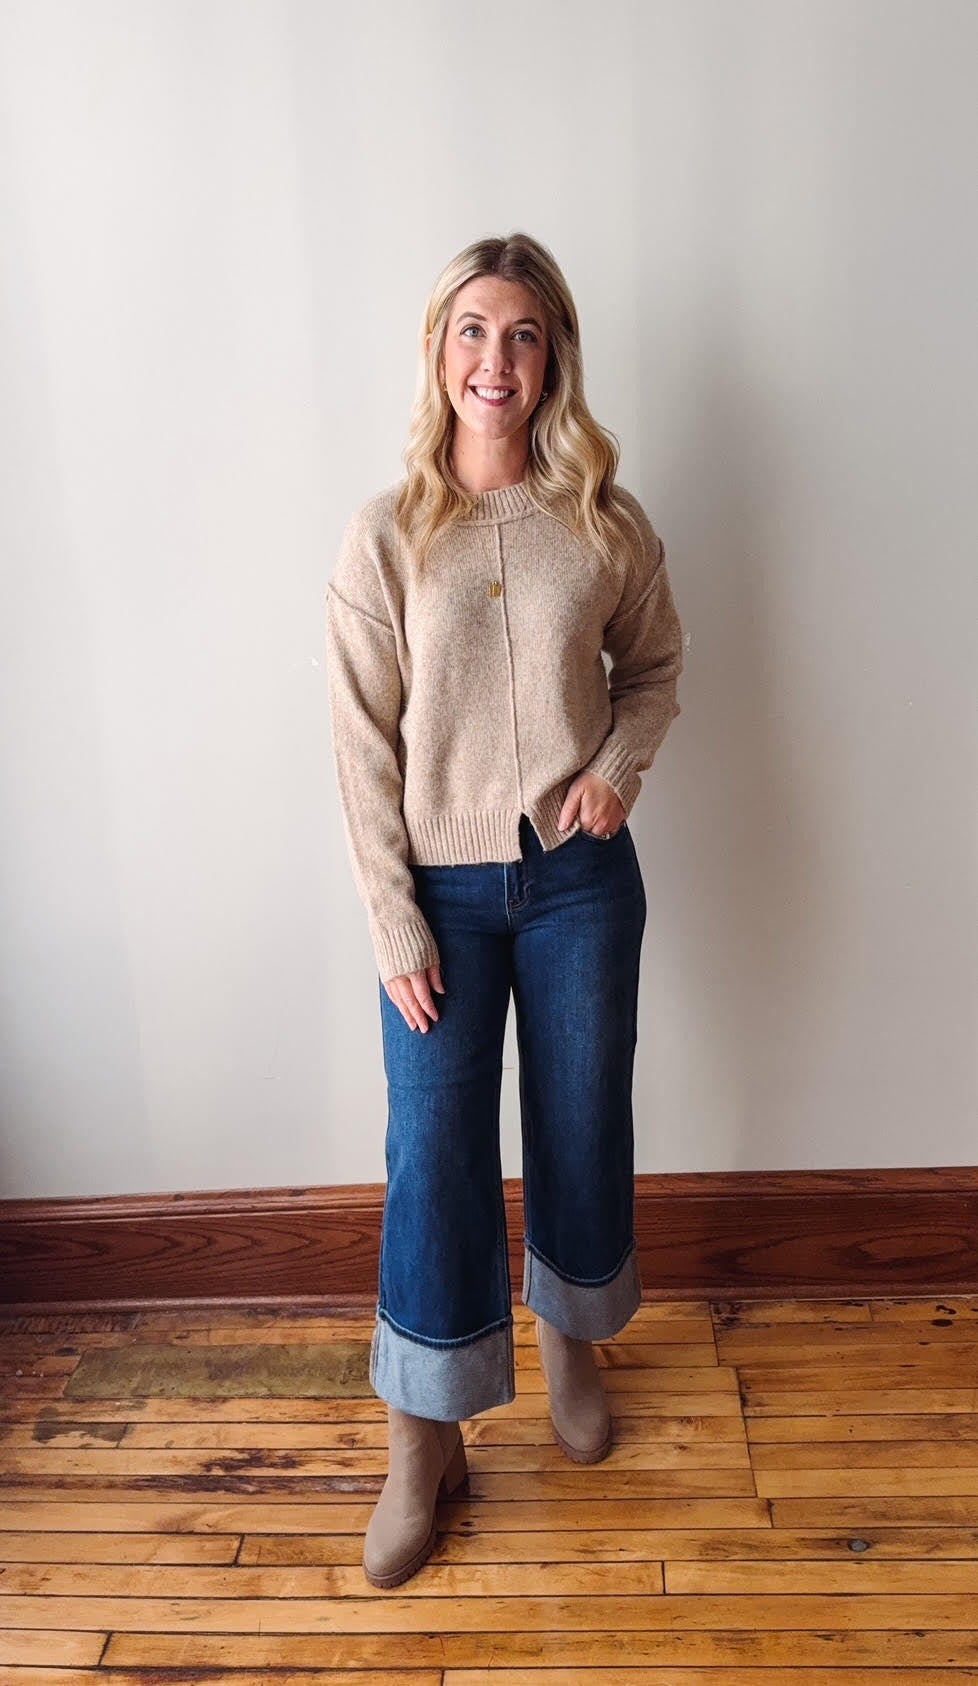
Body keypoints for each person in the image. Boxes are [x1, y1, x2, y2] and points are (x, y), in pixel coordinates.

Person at [324, 231, 683, 1589]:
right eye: (473, 329)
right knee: (432, 1155)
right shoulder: (383, 533)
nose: (496, 358)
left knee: (582, 1119)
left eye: (522, 333)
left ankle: (572, 1343)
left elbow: (654, 666)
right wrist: (394, 921)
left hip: (580, 885)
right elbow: (358, 747)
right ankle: (424, 1437)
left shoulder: (603, 515)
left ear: (552, 357)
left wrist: (613, 772)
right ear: (439, 351)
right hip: (441, 901)